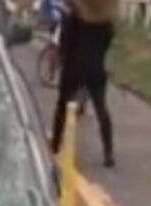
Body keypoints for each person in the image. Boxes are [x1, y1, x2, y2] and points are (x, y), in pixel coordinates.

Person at [49, 0, 116, 168]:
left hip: (73, 69)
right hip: (96, 69)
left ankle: (56, 145)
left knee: (62, 107)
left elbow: (65, 43)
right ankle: (108, 152)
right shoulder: (105, 24)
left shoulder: (72, 20)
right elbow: (107, 42)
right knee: (102, 109)